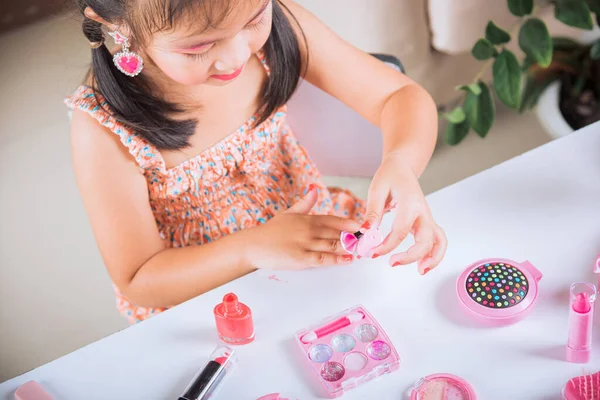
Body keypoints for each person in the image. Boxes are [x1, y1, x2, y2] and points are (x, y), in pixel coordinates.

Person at [67, 0, 447, 323]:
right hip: (214, 298)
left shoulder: (279, 20)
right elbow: (139, 277)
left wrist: (400, 161)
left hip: (319, 248)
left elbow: (397, 95)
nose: (237, 55)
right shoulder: (102, 127)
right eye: (198, 47)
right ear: (117, 27)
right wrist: (254, 246)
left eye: (254, 19)